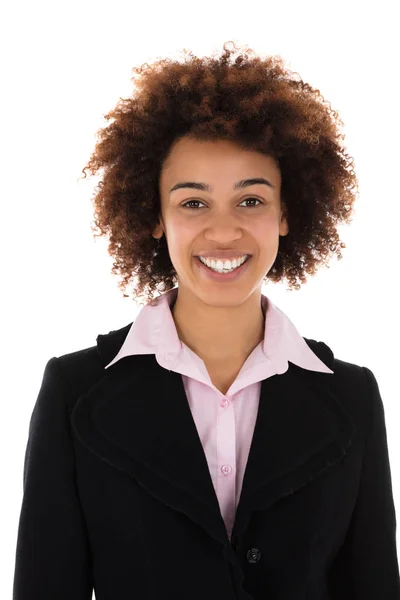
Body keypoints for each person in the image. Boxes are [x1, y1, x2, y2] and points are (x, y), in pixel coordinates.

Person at [12, 41, 400, 599]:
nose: (223, 232)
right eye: (193, 203)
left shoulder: (353, 396)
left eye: (251, 201)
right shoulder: (75, 391)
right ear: (155, 215)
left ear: (287, 213)